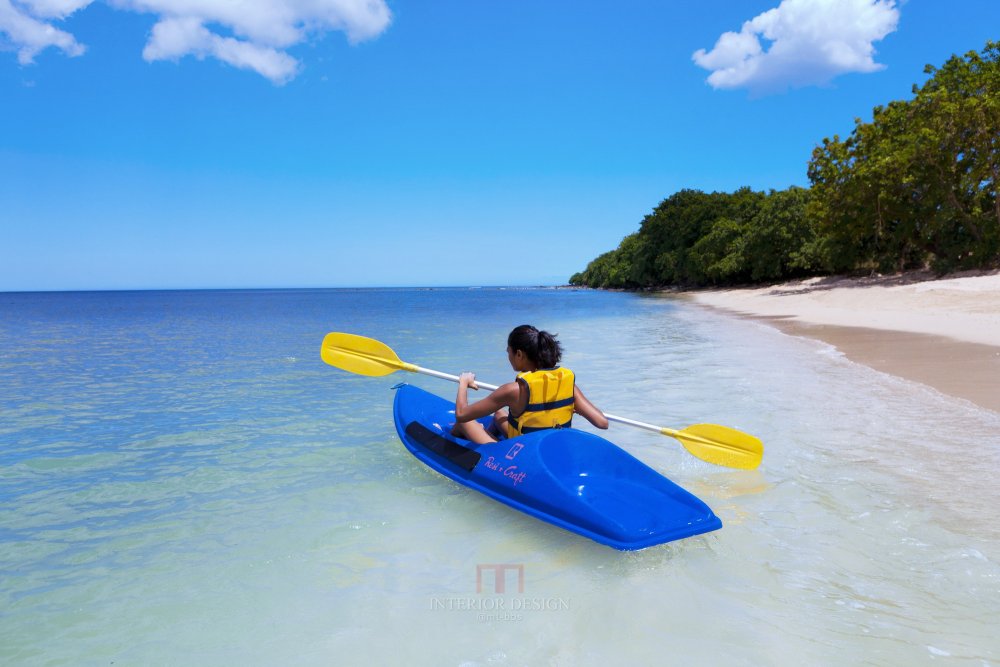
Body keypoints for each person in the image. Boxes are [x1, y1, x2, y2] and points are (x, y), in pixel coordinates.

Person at [452, 324, 609, 444]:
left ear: (519, 354)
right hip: (550, 448)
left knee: (462, 422)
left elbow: (462, 413)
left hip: (522, 455)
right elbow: (602, 423)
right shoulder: (568, 385)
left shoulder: (512, 390)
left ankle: (451, 441)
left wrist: (464, 382)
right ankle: (489, 434)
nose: (508, 357)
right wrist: (574, 407)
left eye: (509, 352)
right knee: (499, 413)